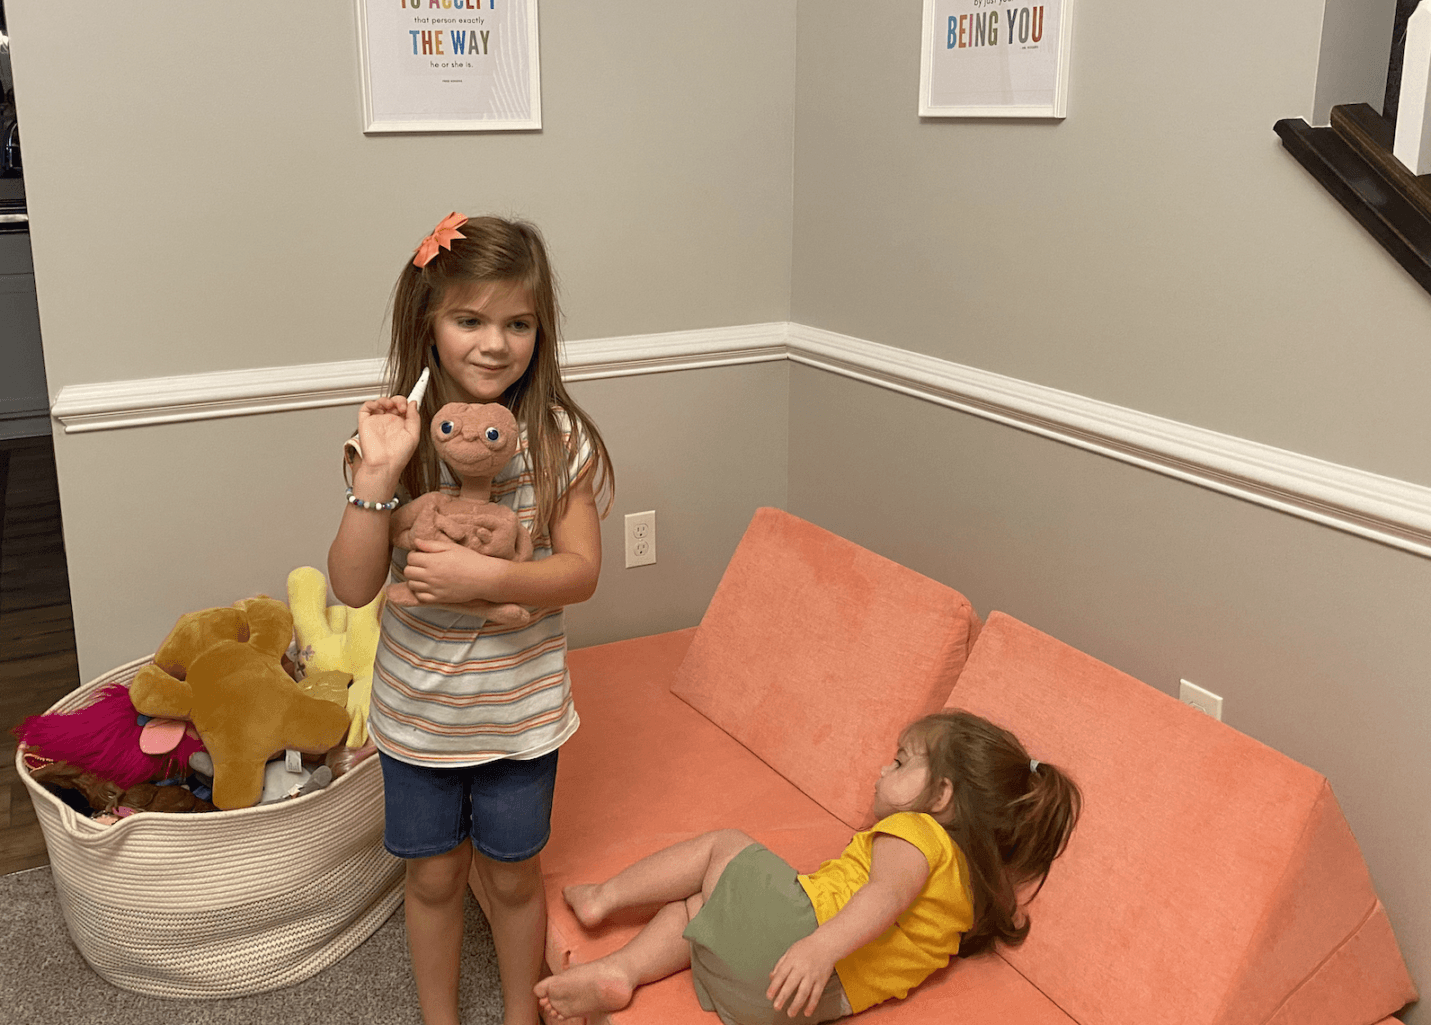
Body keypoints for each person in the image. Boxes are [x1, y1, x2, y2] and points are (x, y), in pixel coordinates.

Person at [328, 213, 614, 1025]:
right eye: (470, 320)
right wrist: (376, 474)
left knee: (517, 877)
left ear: (540, 330)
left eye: (518, 322)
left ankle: (522, 1015)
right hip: (419, 721)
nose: (495, 343)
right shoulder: (392, 439)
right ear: (429, 323)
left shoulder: (559, 442)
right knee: (433, 876)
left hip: (520, 720)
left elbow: (581, 571)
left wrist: (480, 575)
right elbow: (351, 586)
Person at [533, 710, 1081, 1024]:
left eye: (898, 761)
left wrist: (818, 947)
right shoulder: (969, 895)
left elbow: (883, 899)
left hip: (804, 947)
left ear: (940, 796)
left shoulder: (918, 834)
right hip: (795, 1005)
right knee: (698, 907)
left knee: (722, 846)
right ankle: (619, 974)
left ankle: (603, 899)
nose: (881, 769)